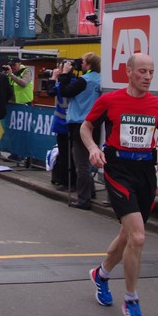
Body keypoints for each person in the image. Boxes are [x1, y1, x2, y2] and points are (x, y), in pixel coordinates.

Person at [80, 53, 158, 316]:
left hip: (145, 172)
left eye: (151, 72)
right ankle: (131, 300)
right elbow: (86, 126)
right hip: (118, 170)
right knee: (138, 236)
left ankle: (101, 274)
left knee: (128, 236)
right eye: (142, 71)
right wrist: (93, 149)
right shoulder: (110, 101)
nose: (147, 77)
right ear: (128, 72)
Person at [52, 54, 101, 207]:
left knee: (81, 164)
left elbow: (65, 92)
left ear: (89, 64)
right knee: (86, 161)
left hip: (80, 125)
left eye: (83, 62)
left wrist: (65, 74)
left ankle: (83, 199)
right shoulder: (100, 80)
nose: (80, 64)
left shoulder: (84, 81)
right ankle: (90, 192)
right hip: (95, 124)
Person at [46, 61, 76, 192]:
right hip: (73, 123)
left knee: (65, 154)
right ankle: (71, 181)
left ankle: (66, 181)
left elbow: (50, 92)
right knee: (73, 154)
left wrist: (53, 78)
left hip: (62, 123)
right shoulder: (77, 82)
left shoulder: (61, 85)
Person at [5, 57, 34, 163]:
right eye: (11, 65)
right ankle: (14, 153)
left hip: (23, 105)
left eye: (14, 65)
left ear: (19, 64)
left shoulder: (26, 71)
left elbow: (23, 83)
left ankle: (21, 154)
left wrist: (11, 75)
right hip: (12, 104)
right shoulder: (10, 73)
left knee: (21, 132)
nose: (12, 67)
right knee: (12, 130)